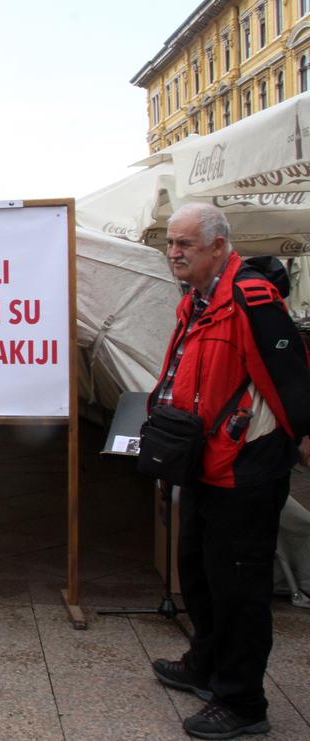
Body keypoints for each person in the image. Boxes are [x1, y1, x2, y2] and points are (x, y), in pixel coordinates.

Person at [147, 204, 310, 740]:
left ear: (219, 247)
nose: (174, 253)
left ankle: (243, 702)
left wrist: (297, 443)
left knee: (239, 587)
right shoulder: (195, 300)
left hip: (245, 469)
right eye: (172, 244)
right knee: (198, 571)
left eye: (185, 244)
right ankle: (206, 664)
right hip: (203, 461)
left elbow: (291, 382)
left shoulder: (252, 298)